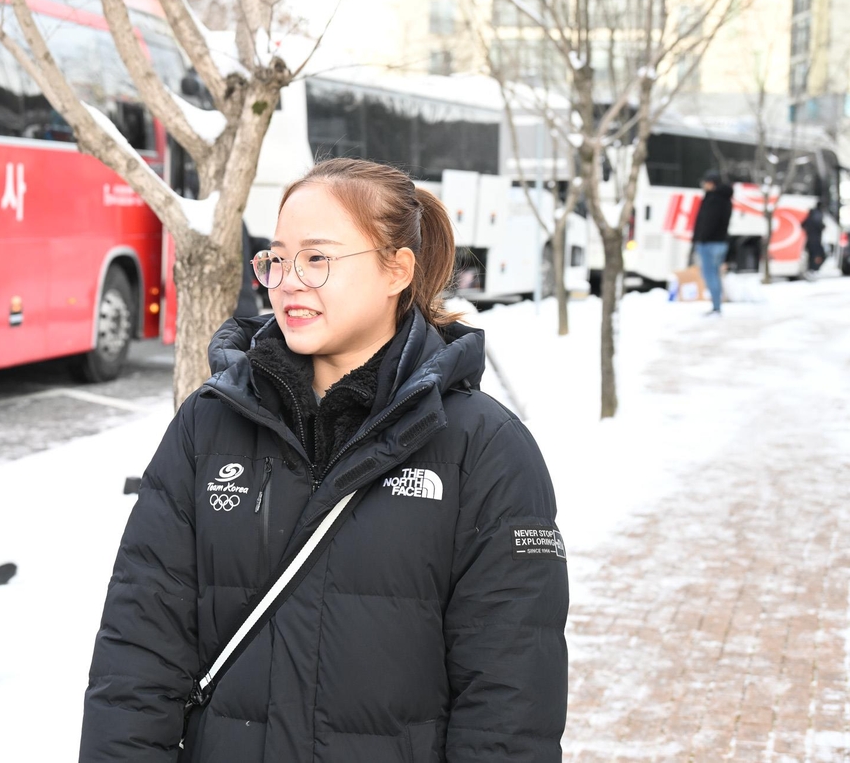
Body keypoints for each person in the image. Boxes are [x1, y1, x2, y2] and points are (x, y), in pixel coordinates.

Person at [80, 159, 569, 763]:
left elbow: (510, 704)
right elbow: (137, 656)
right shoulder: (208, 426)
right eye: (276, 259)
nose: (287, 281)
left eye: (317, 258)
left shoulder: (485, 449)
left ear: (397, 269)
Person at [692, 170, 734, 315]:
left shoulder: (713, 199)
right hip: (721, 243)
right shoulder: (726, 198)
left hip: (709, 244)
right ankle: (717, 305)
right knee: (715, 274)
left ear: (711, 183)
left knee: (710, 275)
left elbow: (707, 223)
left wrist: (699, 239)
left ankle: (716, 306)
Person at [802, 200, 826, 274]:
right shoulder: (817, 215)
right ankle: (813, 269)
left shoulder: (811, 215)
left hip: (810, 240)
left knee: (812, 256)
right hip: (815, 240)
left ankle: (811, 269)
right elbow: (819, 226)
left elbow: (803, 224)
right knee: (820, 255)